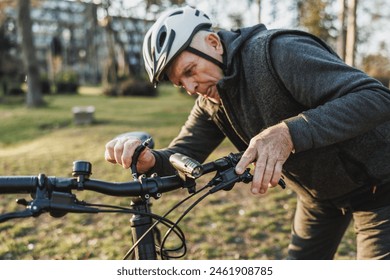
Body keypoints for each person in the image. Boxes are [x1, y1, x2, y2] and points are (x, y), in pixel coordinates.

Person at [105, 6, 390, 259]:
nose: (191, 88)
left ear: (213, 43)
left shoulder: (277, 51)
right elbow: (184, 154)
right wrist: (151, 161)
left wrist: (287, 133)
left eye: (191, 71)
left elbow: (375, 98)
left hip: (380, 187)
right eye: (182, 84)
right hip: (319, 198)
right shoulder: (210, 102)